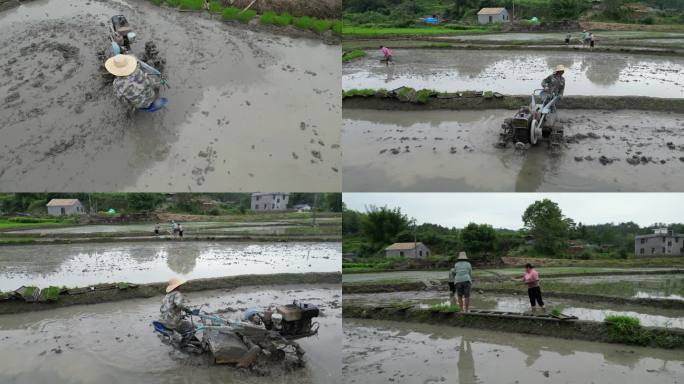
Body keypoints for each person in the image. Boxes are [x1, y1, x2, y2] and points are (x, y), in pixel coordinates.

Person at [160, 277, 195, 343]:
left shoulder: (167, 295)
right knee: (192, 327)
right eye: (180, 285)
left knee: (181, 323)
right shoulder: (177, 294)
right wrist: (187, 310)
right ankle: (184, 342)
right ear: (178, 286)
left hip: (163, 321)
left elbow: (163, 309)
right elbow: (179, 305)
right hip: (172, 322)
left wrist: (179, 315)